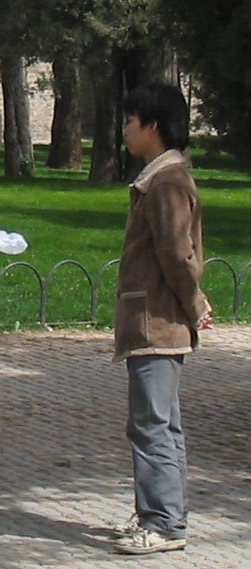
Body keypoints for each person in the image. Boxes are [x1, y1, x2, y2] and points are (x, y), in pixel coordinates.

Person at [111, 83, 213, 555]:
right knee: (159, 424)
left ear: (152, 125)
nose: (124, 130)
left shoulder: (166, 182)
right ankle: (162, 512)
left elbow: (177, 253)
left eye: (130, 121)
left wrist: (194, 305)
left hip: (158, 322)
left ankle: (164, 523)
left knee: (152, 425)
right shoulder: (160, 179)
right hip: (154, 320)